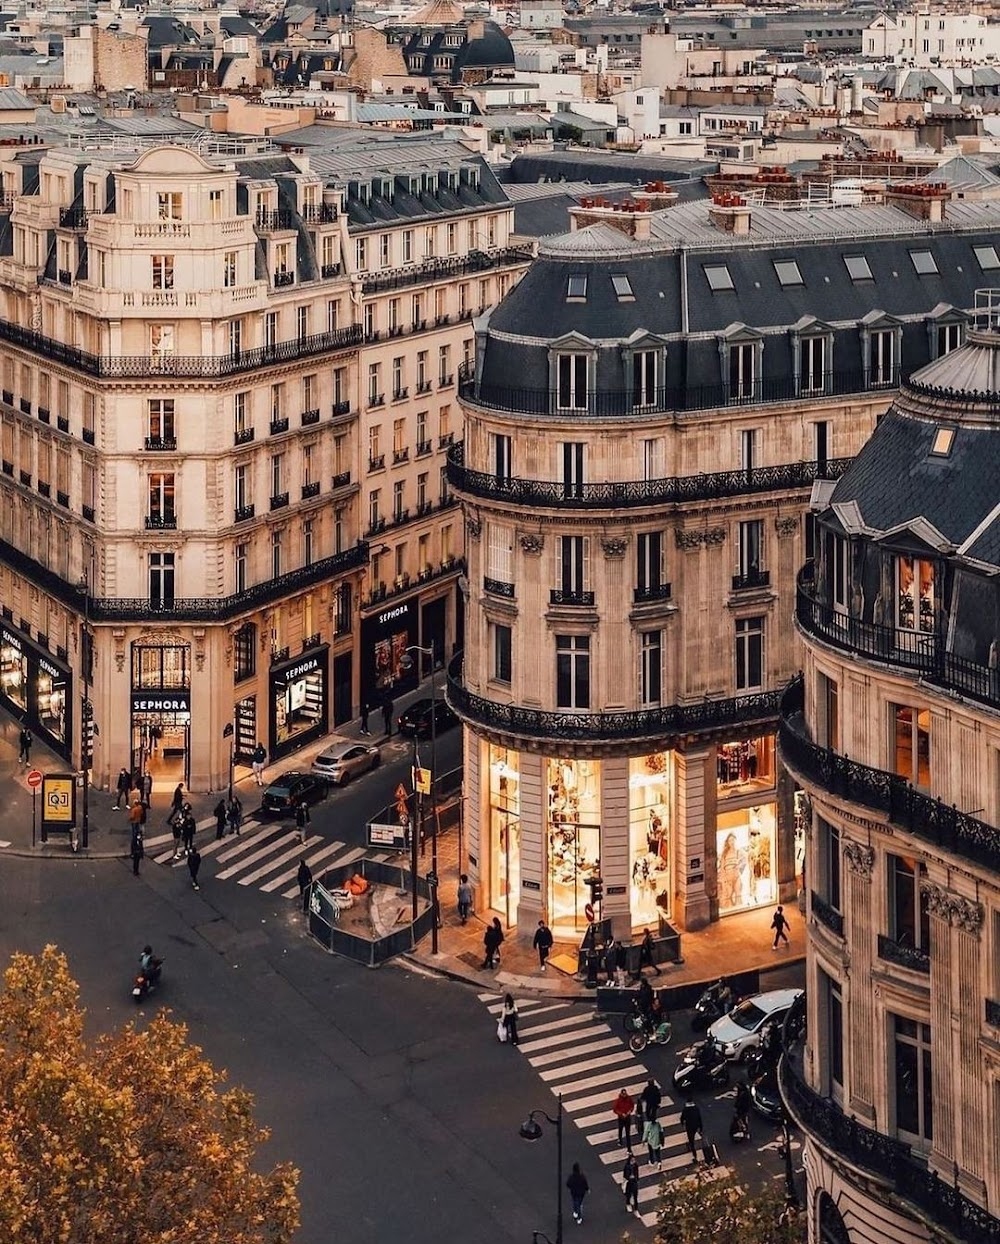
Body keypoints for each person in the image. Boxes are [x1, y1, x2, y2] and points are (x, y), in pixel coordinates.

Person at [622, 1151, 640, 1215]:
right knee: (628, 1195)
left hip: (634, 1182)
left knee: (635, 1197)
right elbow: (625, 1175)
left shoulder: (636, 1165)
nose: (634, 1161)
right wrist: (629, 1177)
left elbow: (637, 1174)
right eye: (632, 1160)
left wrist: (636, 1178)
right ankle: (628, 1204)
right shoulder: (627, 1167)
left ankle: (636, 1210)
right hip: (629, 1183)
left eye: (634, 1160)